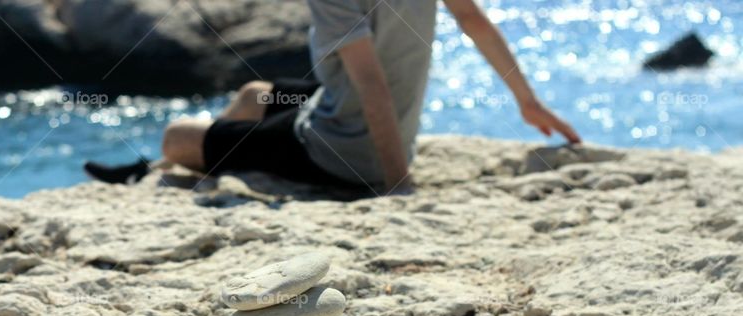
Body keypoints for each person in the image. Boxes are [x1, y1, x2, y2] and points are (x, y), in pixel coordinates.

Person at [85, 0, 581, 194]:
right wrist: (526, 100)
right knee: (257, 94)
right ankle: (153, 169)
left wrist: (396, 185)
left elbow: (372, 86)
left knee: (176, 135)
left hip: (334, 150)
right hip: (337, 113)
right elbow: (472, 20)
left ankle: (168, 163)